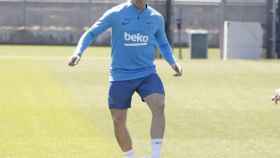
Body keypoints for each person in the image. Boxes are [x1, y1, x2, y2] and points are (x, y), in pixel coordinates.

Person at [68, 0, 182, 158]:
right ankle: (129, 156)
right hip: (120, 75)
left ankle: (155, 155)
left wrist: (173, 62)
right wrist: (78, 52)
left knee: (159, 104)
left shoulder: (156, 17)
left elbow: (162, 42)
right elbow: (92, 33)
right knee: (118, 120)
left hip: (147, 73)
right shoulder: (116, 14)